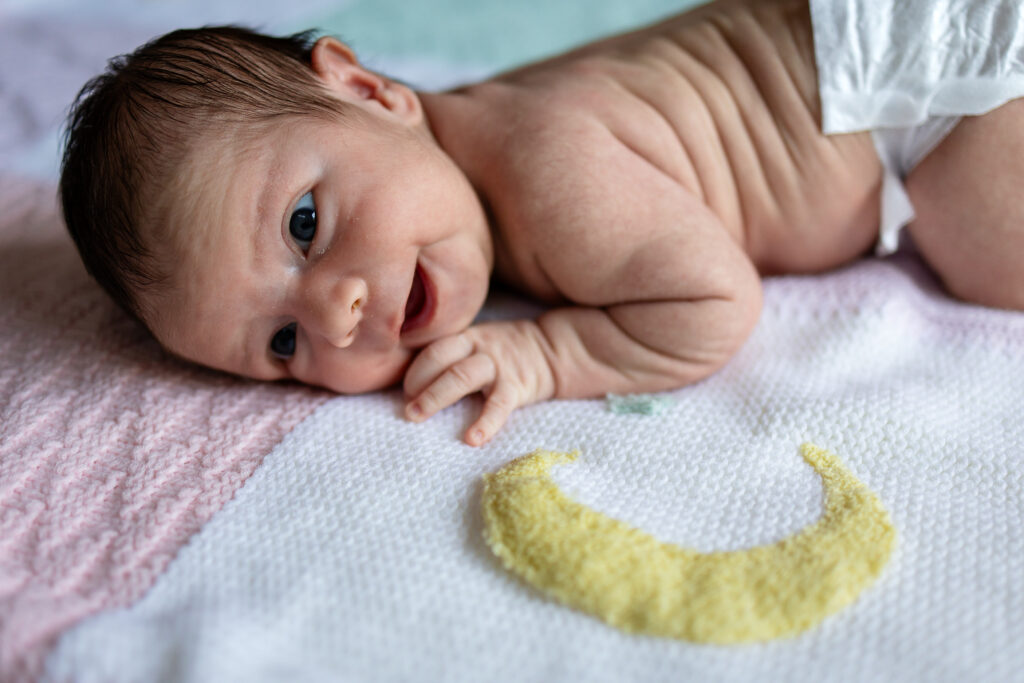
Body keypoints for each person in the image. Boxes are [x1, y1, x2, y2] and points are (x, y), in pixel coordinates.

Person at [59, 0, 1024, 446]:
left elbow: (711, 298)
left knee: (987, 251)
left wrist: (546, 358)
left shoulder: (547, 170)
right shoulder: (459, 154)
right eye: (281, 341)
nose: (338, 309)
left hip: (943, 79)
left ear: (367, 88)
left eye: (306, 223)